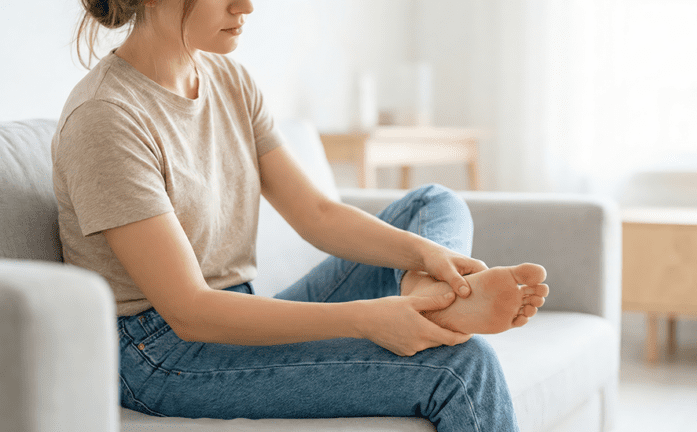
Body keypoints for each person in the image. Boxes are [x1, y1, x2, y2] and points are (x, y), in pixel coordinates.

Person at [52, 0, 549, 430]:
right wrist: (366, 320)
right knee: (463, 367)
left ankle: (431, 296)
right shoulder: (105, 117)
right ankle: (430, 303)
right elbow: (190, 310)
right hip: (161, 354)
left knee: (433, 204)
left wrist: (426, 257)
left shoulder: (229, 80)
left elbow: (317, 214)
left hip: (236, 305)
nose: (247, 6)